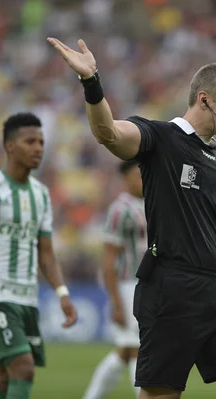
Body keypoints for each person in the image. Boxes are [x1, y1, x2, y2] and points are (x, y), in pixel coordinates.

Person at [48, 37, 216, 399]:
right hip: (169, 292)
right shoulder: (161, 137)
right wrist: (91, 81)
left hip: (212, 294)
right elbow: (107, 132)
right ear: (204, 98)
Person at [0, 112, 78, 399]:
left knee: (4, 374)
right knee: (23, 368)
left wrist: (62, 293)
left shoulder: (41, 194)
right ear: (10, 146)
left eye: (41, 141)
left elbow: (46, 253)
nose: (38, 148)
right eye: (29, 141)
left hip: (28, 298)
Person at [84, 160, 146, 399]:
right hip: (128, 286)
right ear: (126, 178)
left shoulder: (155, 202)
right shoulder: (120, 210)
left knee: (124, 352)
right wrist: (116, 301)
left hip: (151, 286)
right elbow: (109, 258)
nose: (143, 178)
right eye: (137, 174)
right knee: (137, 351)